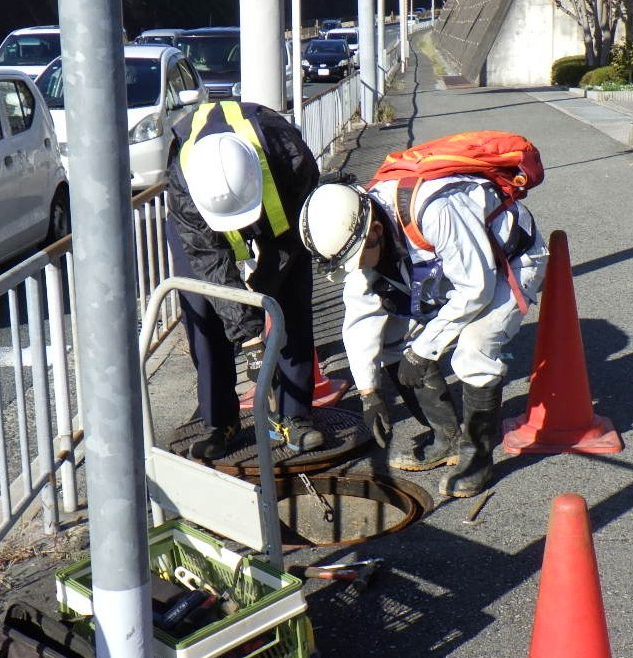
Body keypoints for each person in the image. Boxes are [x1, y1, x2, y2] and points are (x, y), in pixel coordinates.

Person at [299, 162, 548, 498]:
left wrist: (422, 350)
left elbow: (477, 289)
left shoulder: (435, 210)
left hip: (510, 260)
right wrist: (369, 393)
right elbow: (360, 315)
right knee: (394, 341)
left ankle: (477, 459)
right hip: (448, 265)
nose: (358, 267)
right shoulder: (357, 228)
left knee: (475, 347)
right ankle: (446, 439)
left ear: (375, 231)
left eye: (359, 259)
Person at [166, 100, 324, 459]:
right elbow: (210, 262)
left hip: (284, 217)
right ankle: (219, 421)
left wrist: (265, 292)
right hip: (199, 225)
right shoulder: (185, 181)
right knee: (202, 309)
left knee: (292, 304)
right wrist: (250, 337)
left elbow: (293, 241)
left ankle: (294, 417)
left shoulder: (290, 154)